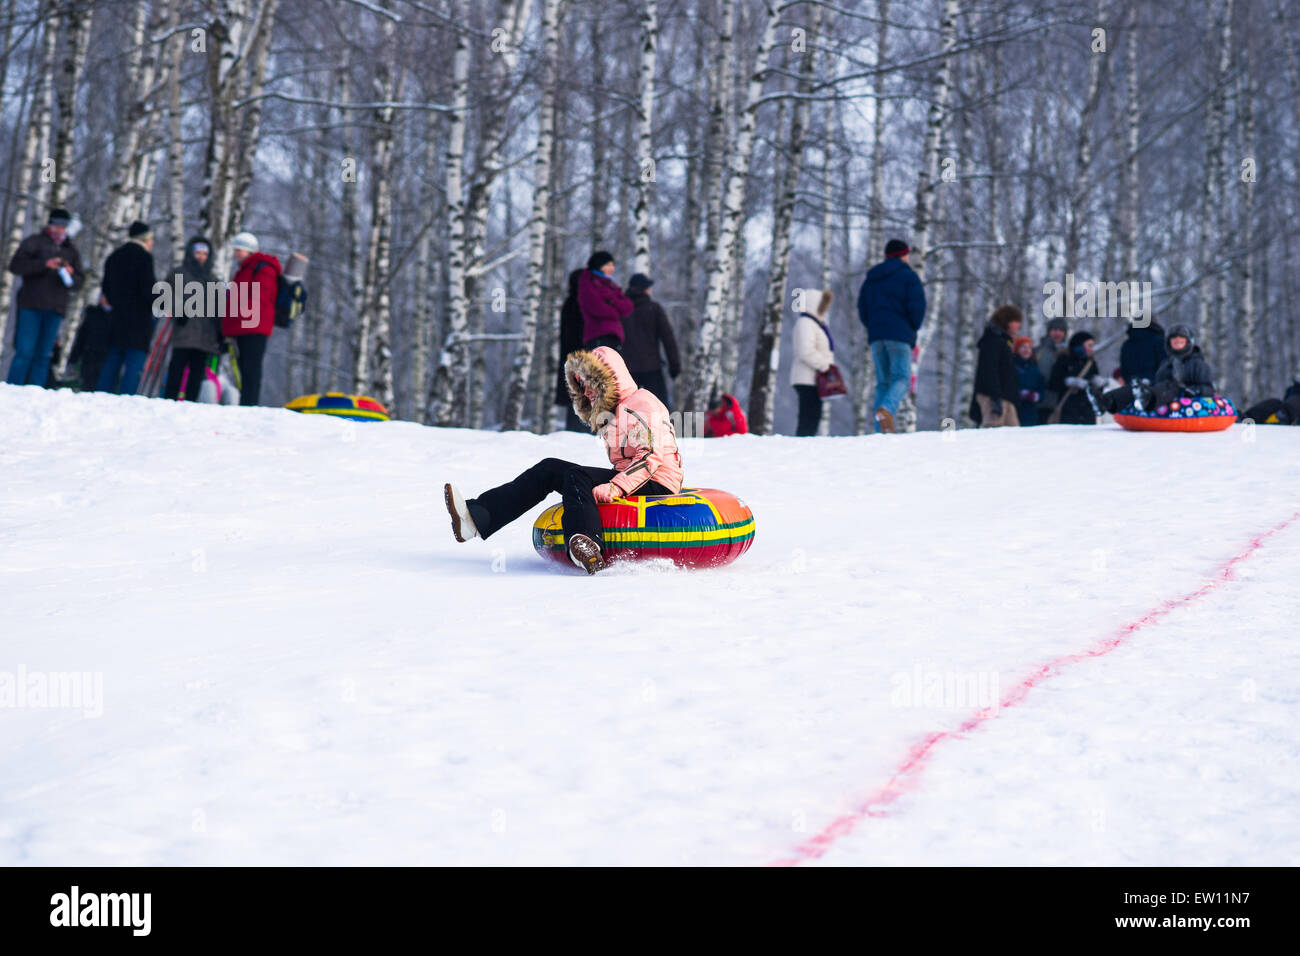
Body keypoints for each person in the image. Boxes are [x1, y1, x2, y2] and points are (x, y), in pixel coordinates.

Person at [444, 346, 682, 574]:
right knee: (550, 468)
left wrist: (616, 486)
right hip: (635, 477)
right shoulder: (614, 412)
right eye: (582, 386)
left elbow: (649, 456)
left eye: (590, 384)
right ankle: (476, 518)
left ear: (608, 380)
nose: (587, 392)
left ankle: (587, 544)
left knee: (576, 476)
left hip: (657, 480)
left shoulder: (641, 404)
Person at [5, 207, 84, 386]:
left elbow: (79, 283)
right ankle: (13, 388)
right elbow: (16, 266)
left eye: (63, 227)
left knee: (44, 355)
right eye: (56, 226)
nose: (59, 230)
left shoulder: (70, 250)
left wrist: (70, 274)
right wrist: (44, 264)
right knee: (25, 351)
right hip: (31, 305)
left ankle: (36, 391)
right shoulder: (34, 243)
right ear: (49, 225)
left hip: (55, 308)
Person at [857, 238, 925, 433]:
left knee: (883, 383)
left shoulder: (872, 278)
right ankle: (886, 409)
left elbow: (862, 307)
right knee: (902, 378)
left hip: (877, 337)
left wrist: (873, 327)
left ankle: (880, 430)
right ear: (903, 255)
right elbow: (917, 307)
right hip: (899, 335)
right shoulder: (909, 276)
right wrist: (912, 328)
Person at [1098, 324, 1215, 416]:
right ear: (1169, 344)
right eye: (1175, 342)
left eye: (1181, 342)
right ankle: (1107, 401)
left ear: (1188, 343)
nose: (1178, 344)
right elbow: (1158, 380)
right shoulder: (1167, 362)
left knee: (1171, 386)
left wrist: (1195, 390)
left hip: (1184, 396)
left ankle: (1147, 398)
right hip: (1163, 394)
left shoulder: (1197, 363)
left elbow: (1209, 389)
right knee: (1138, 386)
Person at [96, 221, 157, 395]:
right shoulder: (145, 258)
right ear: (146, 239)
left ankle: (102, 394)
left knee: (113, 359)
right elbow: (148, 290)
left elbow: (106, 289)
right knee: (134, 362)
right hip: (139, 320)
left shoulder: (114, 256)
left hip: (117, 317)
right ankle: (128, 399)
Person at [222, 231, 281, 406]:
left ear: (250, 251)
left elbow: (260, 297)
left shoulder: (263, 268)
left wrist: (238, 309)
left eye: (241, 250)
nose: (237, 253)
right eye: (236, 249)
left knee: (251, 368)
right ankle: (247, 402)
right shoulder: (246, 269)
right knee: (244, 368)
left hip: (254, 326)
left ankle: (250, 403)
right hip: (243, 325)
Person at [164, 237, 222, 401]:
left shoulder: (213, 279)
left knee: (197, 372)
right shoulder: (179, 273)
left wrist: (220, 331)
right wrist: (177, 310)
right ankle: (169, 399)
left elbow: (219, 307)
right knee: (177, 368)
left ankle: (190, 403)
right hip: (185, 330)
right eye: (198, 253)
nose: (201, 257)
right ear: (191, 253)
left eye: (205, 253)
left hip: (205, 334)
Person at [619, 273, 681, 409]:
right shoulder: (654, 308)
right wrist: (674, 365)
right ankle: (663, 430)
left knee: (628, 410)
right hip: (652, 368)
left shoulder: (621, 310)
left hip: (627, 370)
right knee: (659, 408)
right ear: (644, 289)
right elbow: (668, 338)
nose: (650, 290)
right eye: (648, 287)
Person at [790, 289, 835, 436]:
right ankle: (802, 446)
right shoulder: (806, 323)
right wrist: (825, 366)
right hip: (807, 378)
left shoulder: (814, 324)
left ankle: (805, 445)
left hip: (814, 378)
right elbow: (805, 351)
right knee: (808, 418)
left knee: (813, 417)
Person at [970, 304, 1023, 428]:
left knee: (1014, 433)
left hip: (1005, 397)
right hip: (992, 396)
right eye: (1016, 321)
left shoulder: (1003, 341)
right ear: (1007, 321)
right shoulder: (993, 341)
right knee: (992, 430)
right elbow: (989, 370)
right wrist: (994, 396)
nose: (1018, 325)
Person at [577, 251, 632, 350]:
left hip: (614, 336)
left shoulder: (610, 285)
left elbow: (627, 307)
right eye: (608, 265)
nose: (612, 268)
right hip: (598, 336)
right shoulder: (587, 283)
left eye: (612, 265)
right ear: (599, 265)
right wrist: (616, 311)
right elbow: (597, 308)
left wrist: (611, 300)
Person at [1048, 330, 1104, 424]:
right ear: (1080, 345)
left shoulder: (1090, 362)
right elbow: (1053, 384)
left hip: (1087, 411)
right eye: (1089, 345)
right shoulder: (1063, 359)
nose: (1092, 349)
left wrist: (1099, 384)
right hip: (1068, 410)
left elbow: (1096, 392)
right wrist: (1067, 382)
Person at [555, 269, 587, 432]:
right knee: (580, 398)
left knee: (577, 399)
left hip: (572, 358)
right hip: (578, 358)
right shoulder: (578, 304)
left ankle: (576, 433)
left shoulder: (571, 303)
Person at [67, 297, 113, 390]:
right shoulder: (92, 313)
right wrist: (73, 359)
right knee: (87, 383)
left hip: (107, 357)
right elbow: (81, 338)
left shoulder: (118, 316)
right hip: (89, 354)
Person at [1035, 317, 1069, 421]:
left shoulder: (1068, 352)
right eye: (1054, 330)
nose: (1057, 333)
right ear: (1049, 331)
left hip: (1062, 400)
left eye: (1061, 330)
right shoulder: (1038, 351)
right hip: (1041, 401)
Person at [1119, 319, 1165, 386]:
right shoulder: (1159, 340)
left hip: (1132, 386)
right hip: (1156, 387)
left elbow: (1124, 371)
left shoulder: (1126, 345)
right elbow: (1164, 365)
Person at [1014, 336, 1045, 427]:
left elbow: (1041, 388)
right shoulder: (1012, 366)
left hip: (1031, 411)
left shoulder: (1035, 368)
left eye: (1029, 347)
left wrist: (1037, 396)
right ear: (1017, 349)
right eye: (1023, 347)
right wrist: (1020, 394)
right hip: (1016, 409)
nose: (1026, 350)